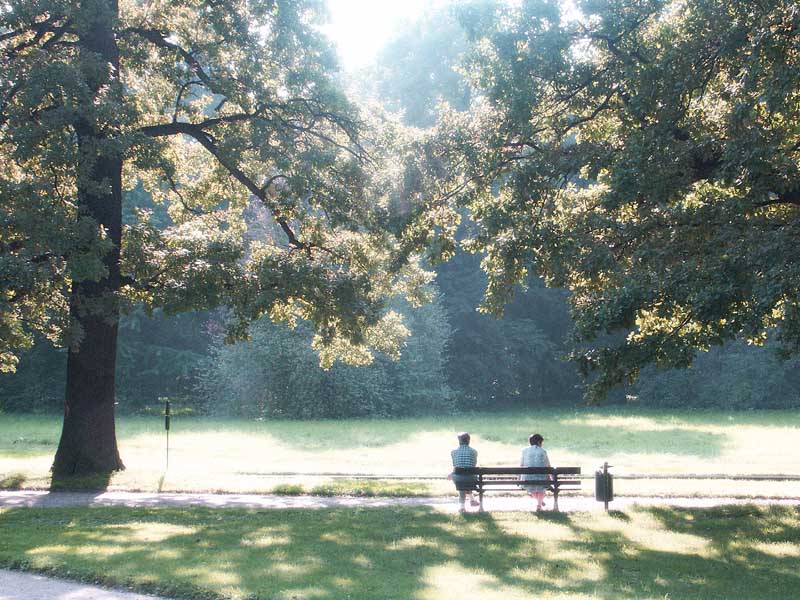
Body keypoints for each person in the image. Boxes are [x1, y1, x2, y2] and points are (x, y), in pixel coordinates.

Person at [520, 433, 551, 511]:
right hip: (541, 478)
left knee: (531, 488)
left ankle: (539, 502)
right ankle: (539, 504)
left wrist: (518, 478)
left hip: (527, 479)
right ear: (538, 442)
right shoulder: (543, 451)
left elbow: (521, 465)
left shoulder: (524, 451)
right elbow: (548, 466)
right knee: (542, 488)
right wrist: (552, 477)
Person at [450, 431, 480, 512]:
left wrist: (452, 473)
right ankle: (472, 500)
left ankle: (462, 507)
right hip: (471, 478)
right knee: (466, 477)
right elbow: (473, 465)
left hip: (458, 478)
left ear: (459, 441)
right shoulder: (474, 452)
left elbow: (455, 465)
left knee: (460, 480)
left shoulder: (453, 452)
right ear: (468, 441)